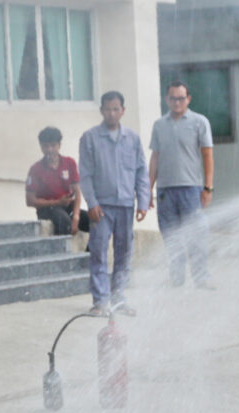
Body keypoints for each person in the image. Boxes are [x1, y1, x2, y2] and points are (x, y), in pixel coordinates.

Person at [78, 91, 150, 316]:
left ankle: (119, 299)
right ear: (101, 111)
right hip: (102, 207)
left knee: (124, 253)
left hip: (126, 205)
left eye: (116, 109)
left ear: (123, 111)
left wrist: (143, 201)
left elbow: (141, 172)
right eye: (107, 109)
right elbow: (86, 175)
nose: (111, 113)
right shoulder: (90, 138)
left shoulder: (133, 139)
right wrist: (92, 203)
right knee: (98, 252)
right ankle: (100, 301)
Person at [149, 81, 215, 289]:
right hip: (165, 191)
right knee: (171, 236)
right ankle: (176, 278)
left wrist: (208, 188)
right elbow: (155, 158)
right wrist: (148, 189)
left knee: (196, 236)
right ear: (166, 99)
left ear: (188, 99)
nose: (176, 102)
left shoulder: (199, 122)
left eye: (181, 98)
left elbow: (207, 156)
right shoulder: (159, 125)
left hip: (191, 188)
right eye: (172, 98)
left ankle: (201, 278)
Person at [26, 126, 88, 236]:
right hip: (47, 209)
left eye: (53, 145)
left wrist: (76, 216)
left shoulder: (69, 163)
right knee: (64, 222)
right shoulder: (35, 169)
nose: (49, 149)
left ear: (59, 145)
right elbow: (30, 201)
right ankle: (62, 252)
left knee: (95, 221)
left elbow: (77, 191)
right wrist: (56, 202)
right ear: (41, 147)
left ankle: (91, 253)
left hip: (68, 207)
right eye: (46, 146)